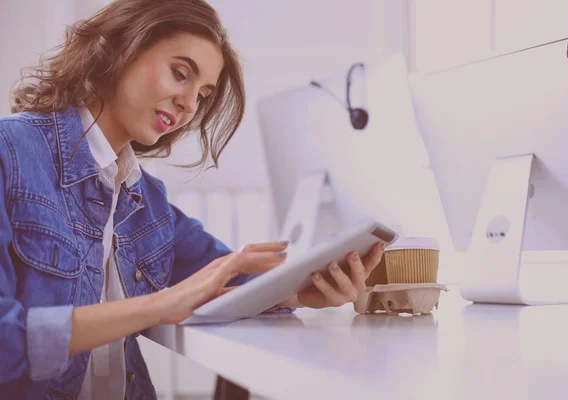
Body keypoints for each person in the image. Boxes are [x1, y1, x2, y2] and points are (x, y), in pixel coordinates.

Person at [0, 0, 385, 399]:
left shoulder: (146, 201)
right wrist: (159, 305)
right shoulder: (9, 152)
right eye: (179, 73)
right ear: (119, 48)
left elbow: (225, 278)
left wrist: (304, 290)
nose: (188, 104)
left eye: (202, 94)